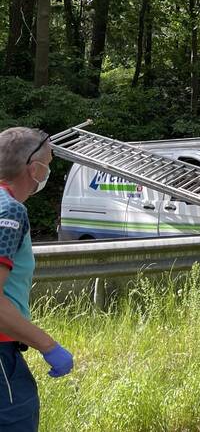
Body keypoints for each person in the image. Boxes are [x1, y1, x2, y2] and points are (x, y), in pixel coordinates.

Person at [0, 128, 74, 430]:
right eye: (48, 162)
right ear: (34, 168)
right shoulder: (10, 211)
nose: (49, 171)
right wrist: (48, 346)